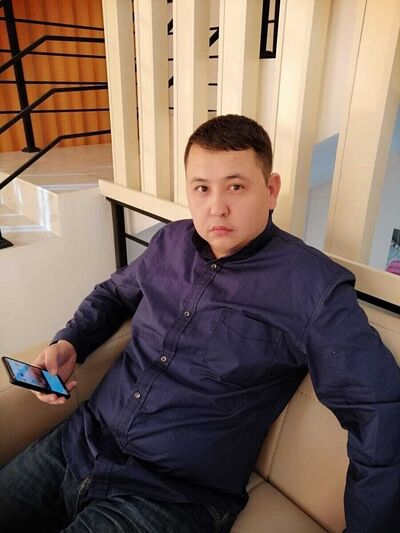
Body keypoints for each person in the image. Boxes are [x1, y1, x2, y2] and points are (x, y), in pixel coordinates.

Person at [0, 115, 399, 532]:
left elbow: (379, 410)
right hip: (81, 441)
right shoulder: (169, 242)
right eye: (202, 188)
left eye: (236, 187)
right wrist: (71, 342)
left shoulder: (312, 288)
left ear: (271, 190)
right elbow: (114, 293)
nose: (216, 207)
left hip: (169, 496)